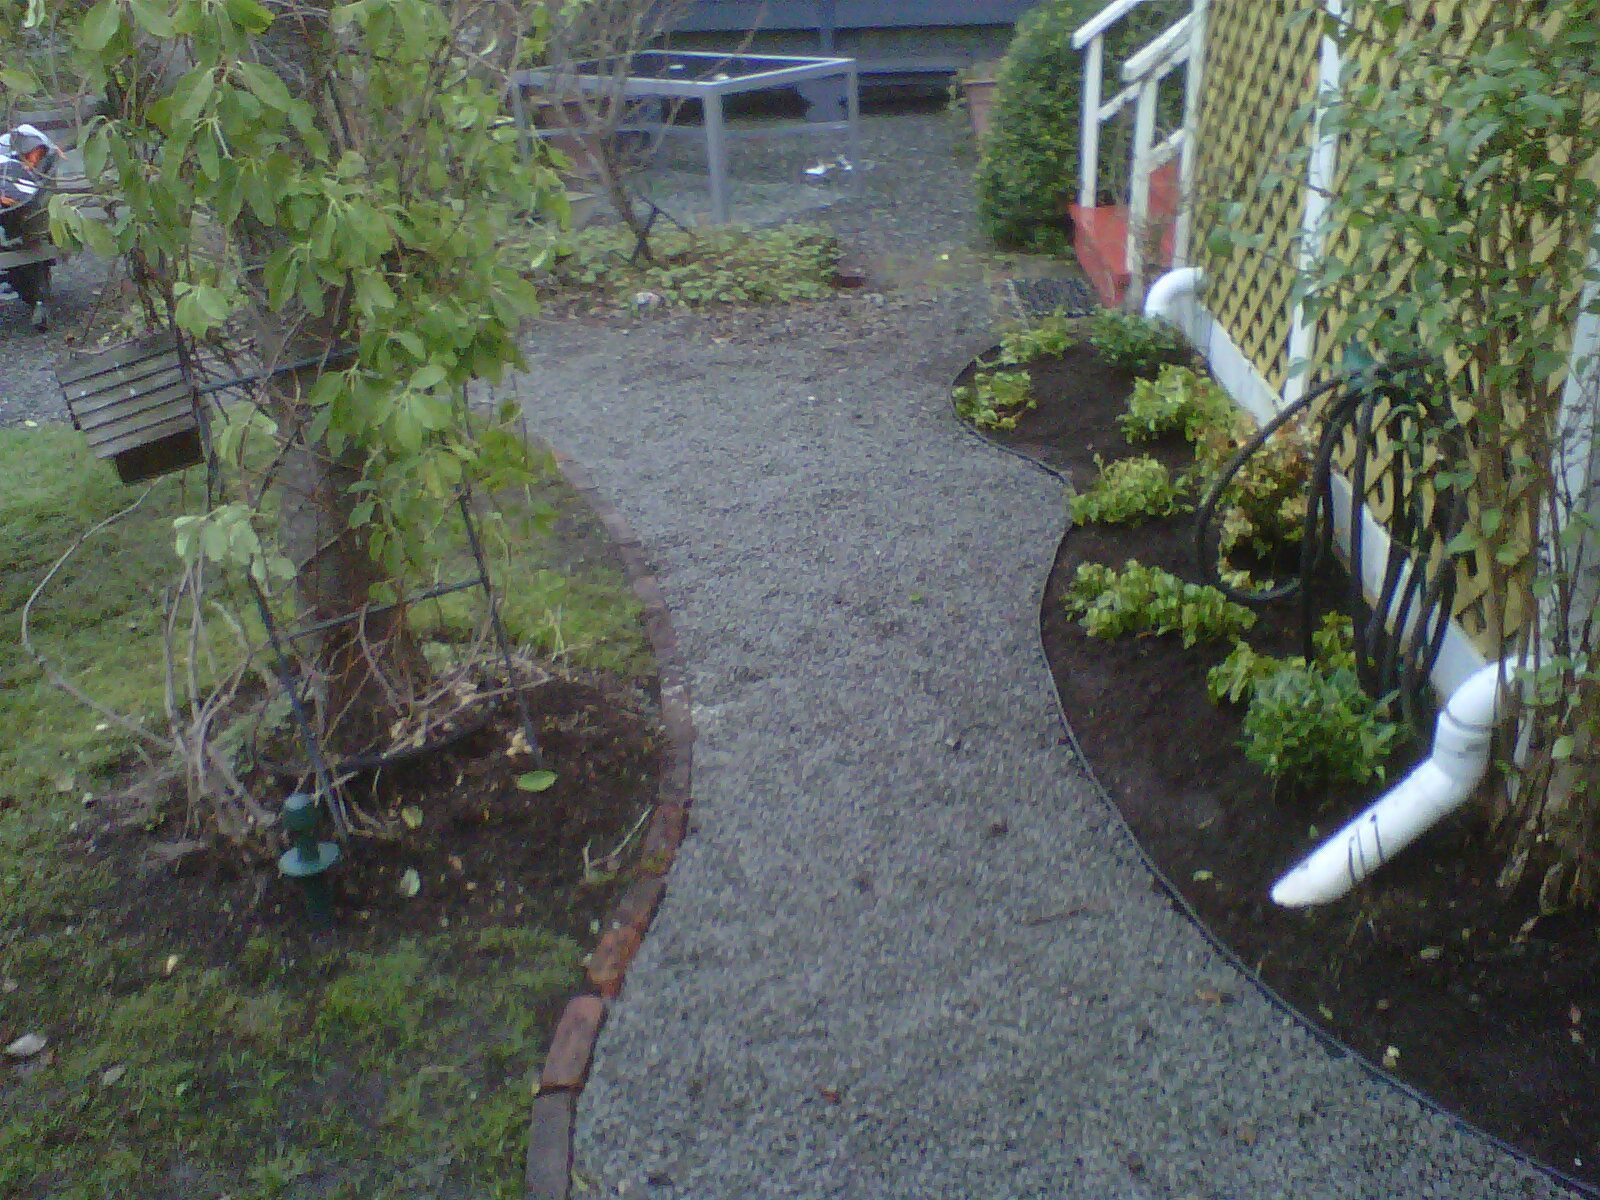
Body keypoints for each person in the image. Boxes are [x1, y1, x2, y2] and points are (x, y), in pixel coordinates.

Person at [0, 123, 60, 331]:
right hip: (20, 207)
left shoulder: (26, 139)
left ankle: (36, 295)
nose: (29, 163)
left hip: (23, 210)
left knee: (23, 238)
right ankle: (34, 294)